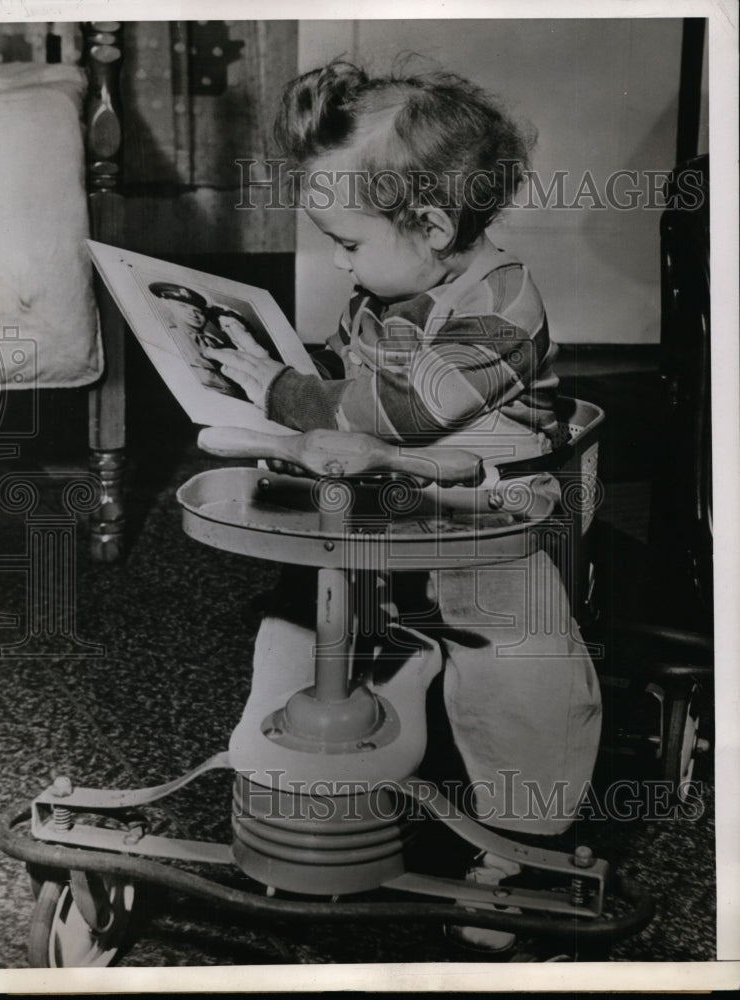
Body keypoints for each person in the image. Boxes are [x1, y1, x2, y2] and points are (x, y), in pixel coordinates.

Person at [206, 61, 602, 958]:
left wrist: (286, 395)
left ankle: (528, 840)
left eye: (345, 242)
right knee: (306, 611)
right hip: (392, 505)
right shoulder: (388, 288)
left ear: (431, 224)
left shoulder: (503, 304)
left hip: (493, 520)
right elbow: (358, 380)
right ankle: (314, 765)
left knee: (517, 658)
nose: (338, 261)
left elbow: (405, 410)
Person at [149, 282, 241, 395]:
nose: (193, 314)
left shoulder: (216, 342)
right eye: (183, 306)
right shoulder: (168, 337)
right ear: (167, 304)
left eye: (199, 311)